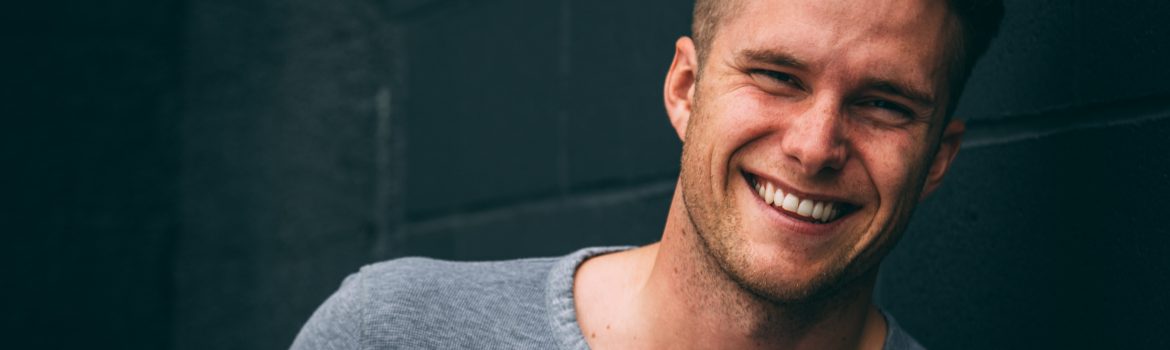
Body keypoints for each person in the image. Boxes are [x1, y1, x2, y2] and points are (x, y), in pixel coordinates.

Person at [292, 0, 1002, 348]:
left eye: (883, 105)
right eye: (778, 77)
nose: (816, 147)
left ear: (938, 156)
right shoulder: (398, 335)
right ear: (686, 90)